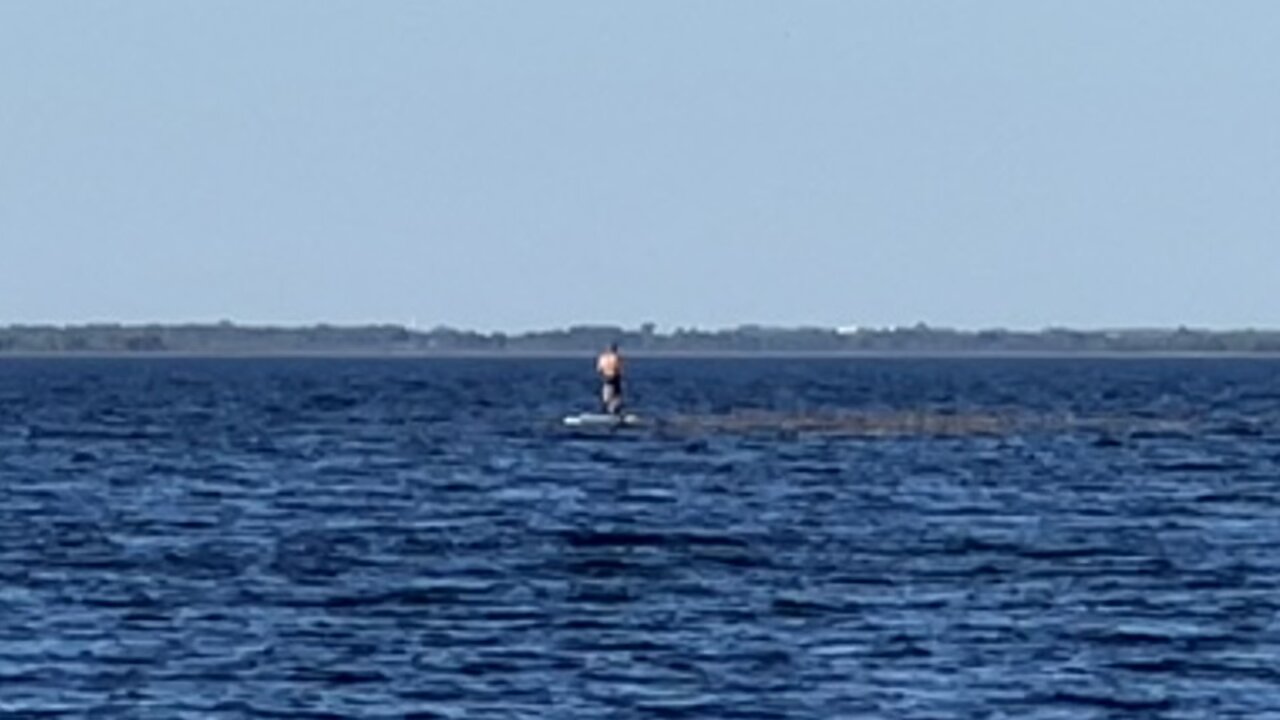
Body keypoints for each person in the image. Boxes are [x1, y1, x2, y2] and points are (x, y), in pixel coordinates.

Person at [596, 342, 624, 415]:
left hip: (606, 378)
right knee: (616, 397)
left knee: (607, 397)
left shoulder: (602, 357)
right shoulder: (616, 357)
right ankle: (614, 412)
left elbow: (599, 369)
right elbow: (619, 369)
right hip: (615, 378)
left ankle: (606, 411)